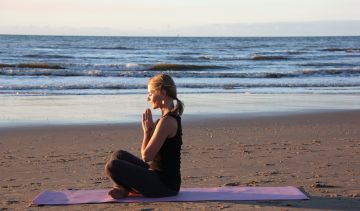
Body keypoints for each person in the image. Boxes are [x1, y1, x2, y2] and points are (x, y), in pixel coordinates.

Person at [105, 73, 184, 198]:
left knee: (112, 166)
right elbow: (150, 158)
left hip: (165, 186)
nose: (148, 98)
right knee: (118, 154)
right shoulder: (166, 119)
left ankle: (123, 188)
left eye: (151, 94)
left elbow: (146, 156)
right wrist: (149, 131)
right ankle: (123, 188)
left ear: (163, 93)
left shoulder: (167, 122)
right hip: (156, 175)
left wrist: (146, 132)